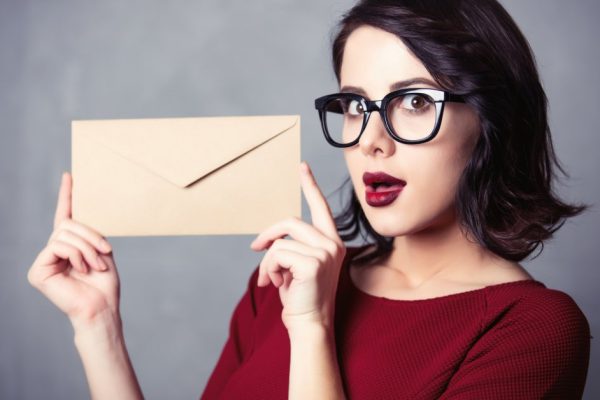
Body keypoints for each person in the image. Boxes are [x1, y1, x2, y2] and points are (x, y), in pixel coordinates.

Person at [28, 0, 591, 399]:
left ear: (491, 119)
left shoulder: (533, 330)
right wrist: (98, 328)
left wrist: (313, 329)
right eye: (354, 105)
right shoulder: (284, 281)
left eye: (414, 102)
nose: (372, 139)